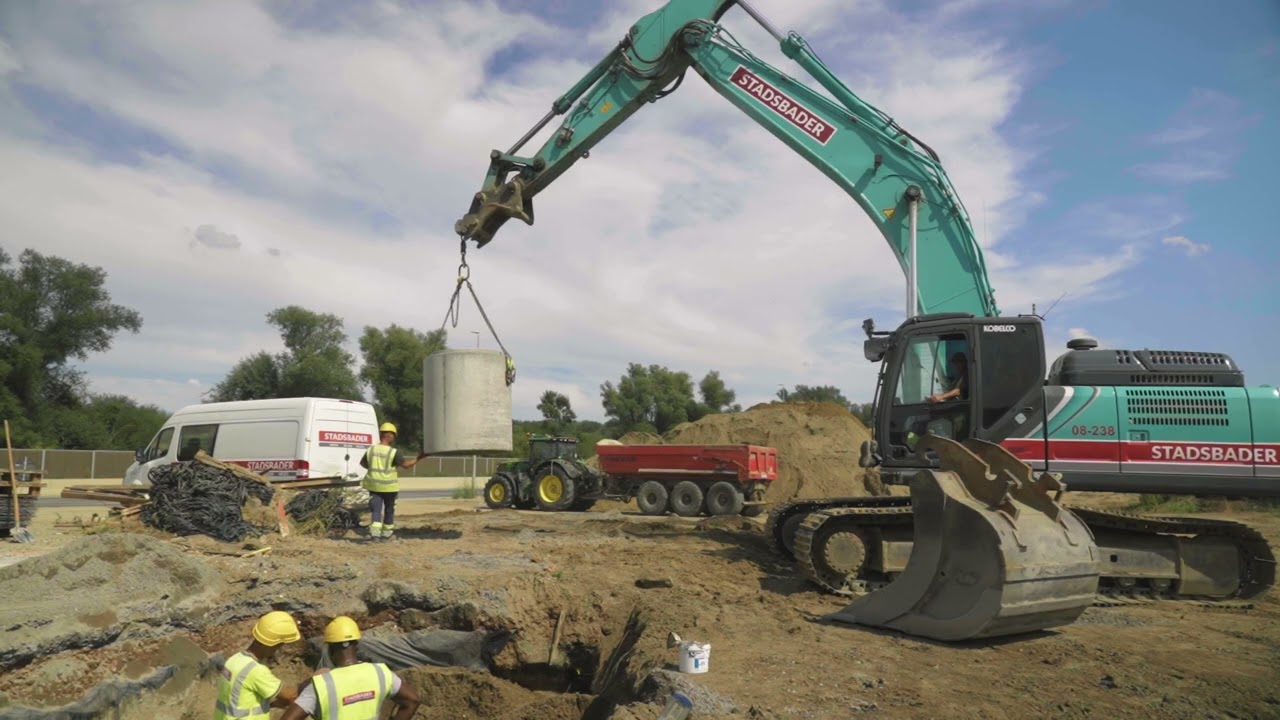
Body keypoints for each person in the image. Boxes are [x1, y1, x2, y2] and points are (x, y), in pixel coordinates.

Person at [280, 616, 421, 720]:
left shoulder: (321, 684)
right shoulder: (380, 673)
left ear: (330, 649)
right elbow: (412, 700)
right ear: (357, 645)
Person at [212, 610, 303, 720]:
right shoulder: (255, 671)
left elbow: (239, 700)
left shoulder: (234, 660)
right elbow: (291, 696)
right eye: (280, 645)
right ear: (275, 644)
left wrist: (271, 704)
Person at [360, 421, 429, 540]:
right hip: (389, 487)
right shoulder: (393, 452)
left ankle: (375, 535)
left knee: (376, 511)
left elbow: (363, 463)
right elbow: (406, 465)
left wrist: (374, 469)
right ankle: (386, 535)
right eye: (394, 436)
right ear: (390, 435)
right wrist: (420, 457)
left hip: (374, 486)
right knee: (389, 510)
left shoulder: (371, 450)